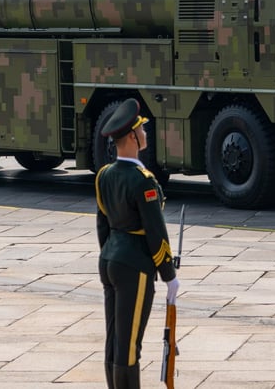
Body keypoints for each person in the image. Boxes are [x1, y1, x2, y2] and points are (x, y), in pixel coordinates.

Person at [95, 99, 180, 388]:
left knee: (115, 338)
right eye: (141, 129)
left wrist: (113, 253)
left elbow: (102, 225)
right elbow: (155, 232)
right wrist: (168, 274)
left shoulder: (104, 175)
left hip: (109, 261)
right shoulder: (143, 180)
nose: (145, 132)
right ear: (132, 137)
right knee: (130, 344)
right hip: (134, 266)